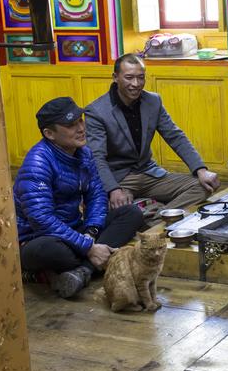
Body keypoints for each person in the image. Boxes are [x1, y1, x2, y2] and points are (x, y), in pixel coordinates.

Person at [14, 97, 144, 298]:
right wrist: (88, 247)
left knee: (131, 212)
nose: (81, 128)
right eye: (70, 125)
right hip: (39, 238)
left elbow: (97, 194)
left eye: (80, 120)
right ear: (49, 134)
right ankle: (91, 264)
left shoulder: (84, 153)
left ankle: (81, 272)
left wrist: (91, 233)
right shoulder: (37, 162)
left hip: (74, 230)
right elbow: (41, 219)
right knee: (52, 251)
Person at [85, 53, 220, 218]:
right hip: (120, 178)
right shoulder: (97, 111)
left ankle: (158, 218)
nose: (136, 84)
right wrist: (114, 190)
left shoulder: (153, 101)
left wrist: (201, 170)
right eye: (129, 78)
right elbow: (97, 157)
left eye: (141, 78)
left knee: (205, 186)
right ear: (115, 77)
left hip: (149, 173)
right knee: (107, 208)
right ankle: (146, 214)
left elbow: (175, 136)